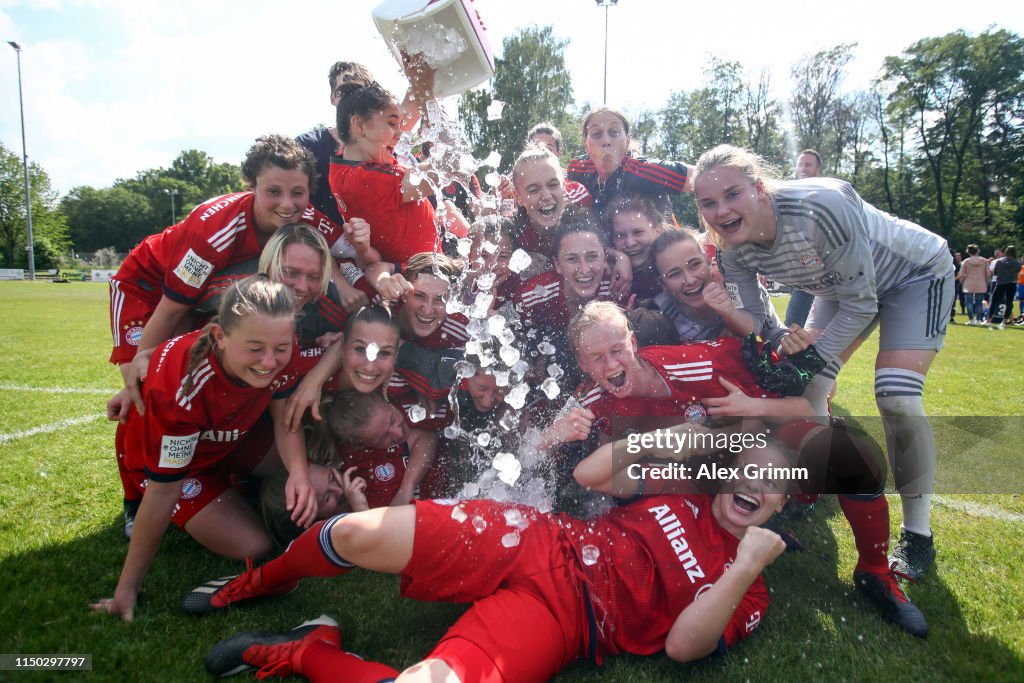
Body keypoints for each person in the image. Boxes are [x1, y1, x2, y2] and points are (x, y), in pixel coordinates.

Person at [191, 439, 792, 682]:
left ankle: (307, 648)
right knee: (351, 532)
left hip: (566, 618)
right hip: (535, 537)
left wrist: (743, 568)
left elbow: (683, 648)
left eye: (773, 484)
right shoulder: (679, 489)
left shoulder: (753, 590)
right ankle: (257, 583)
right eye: (750, 471)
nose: (755, 487)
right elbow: (591, 473)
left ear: (783, 502)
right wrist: (684, 434)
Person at [693, 144, 955, 582]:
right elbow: (758, 320)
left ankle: (918, 533)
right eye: (708, 203)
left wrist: (808, 356)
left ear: (759, 188)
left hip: (913, 274)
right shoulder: (732, 248)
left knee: (896, 396)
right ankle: (806, 486)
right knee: (810, 391)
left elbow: (862, 302)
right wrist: (778, 345)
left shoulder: (820, 207)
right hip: (841, 290)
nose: (722, 210)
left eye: (733, 194)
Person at [92, 277, 317, 622]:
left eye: (281, 348)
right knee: (254, 546)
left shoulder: (282, 344)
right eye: (255, 348)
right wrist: (127, 588)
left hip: (224, 444)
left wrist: (299, 475)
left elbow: (284, 417)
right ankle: (150, 499)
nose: (270, 361)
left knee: (310, 468)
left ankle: (233, 489)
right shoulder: (181, 388)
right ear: (219, 337)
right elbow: (163, 491)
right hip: (180, 465)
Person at [109, 135, 354, 414]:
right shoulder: (215, 230)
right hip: (146, 285)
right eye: (273, 192)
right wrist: (142, 359)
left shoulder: (308, 217)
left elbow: (350, 251)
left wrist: (353, 268)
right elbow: (172, 309)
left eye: (298, 192)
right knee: (145, 389)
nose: (287, 204)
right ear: (252, 186)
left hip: (196, 297)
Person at [329, 73, 448, 267]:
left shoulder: (352, 159)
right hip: (419, 283)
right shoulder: (365, 180)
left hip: (423, 275)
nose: (400, 133)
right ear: (359, 125)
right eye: (392, 124)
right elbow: (450, 164)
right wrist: (427, 95)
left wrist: (417, 70)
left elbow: (408, 106)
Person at [650, 227, 787, 347]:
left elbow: (776, 335)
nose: (690, 280)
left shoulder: (742, 289)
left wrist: (788, 345)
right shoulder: (659, 317)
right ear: (662, 284)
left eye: (695, 265)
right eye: (674, 274)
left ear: (708, 261)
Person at [567, 107, 693, 219]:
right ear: (586, 145)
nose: (606, 141)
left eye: (614, 132)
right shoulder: (578, 170)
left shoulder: (643, 170)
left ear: (627, 141)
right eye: (596, 134)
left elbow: (700, 175)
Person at [784, 149, 823, 328]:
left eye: (808, 164)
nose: (803, 168)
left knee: (793, 325)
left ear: (818, 168)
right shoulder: (789, 196)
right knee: (805, 327)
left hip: (816, 274)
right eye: (800, 164)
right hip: (796, 272)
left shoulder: (824, 195)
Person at [607, 194, 667, 299]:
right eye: (620, 235)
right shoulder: (608, 271)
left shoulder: (674, 264)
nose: (630, 243)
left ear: (658, 230)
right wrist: (618, 256)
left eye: (638, 232)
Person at [989, 245, 1020, 329]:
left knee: (994, 301)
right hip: (1011, 283)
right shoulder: (1017, 262)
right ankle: (1005, 321)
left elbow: (995, 273)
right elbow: (1017, 271)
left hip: (1000, 283)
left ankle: (989, 319)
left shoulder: (999, 261)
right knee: (1009, 303)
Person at [958, 244, 989, 325]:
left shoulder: (966, 261)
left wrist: (960, 280)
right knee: (979, 303)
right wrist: (986, 281)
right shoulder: (984, 261)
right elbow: (988, 273)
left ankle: (971, 319)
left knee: (969, 302)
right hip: (981, 283)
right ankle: (979, 320)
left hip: (968, 283)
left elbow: (961, 273)